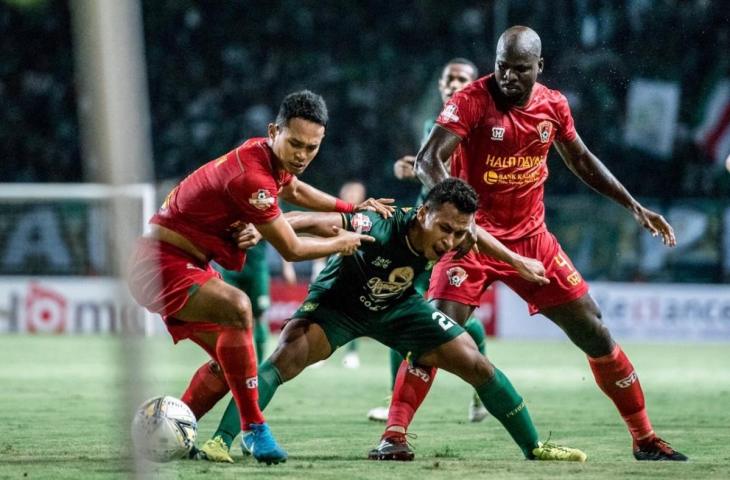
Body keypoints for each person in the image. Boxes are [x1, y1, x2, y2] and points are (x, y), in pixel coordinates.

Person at [372, 26, 687, 462]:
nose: (508, 77)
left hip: (534, 241)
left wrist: (634, 206)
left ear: (540, 67)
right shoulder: (471, 101)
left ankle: (645, 438)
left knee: (595, 332)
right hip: (473, 241)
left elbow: (581, 159)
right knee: (432, 334)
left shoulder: (553, 105)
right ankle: (393, 435)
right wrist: (458, 222)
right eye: (502, 67)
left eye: (520, 69)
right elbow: (429, 160)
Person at [201, 178, 587, 463]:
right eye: (444, 229)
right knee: (285, 359)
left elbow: (476, 234)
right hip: (339, 307)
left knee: (476, 363)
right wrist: (262, 229)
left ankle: (534, 447)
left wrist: (517, 261)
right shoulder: (379, 224)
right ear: (423, 214)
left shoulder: (456, 233)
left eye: (456, 233)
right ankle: (221, 440)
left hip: (398, 308)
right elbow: (308, 220)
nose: (449, 241)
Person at [127, 90, 393, 465]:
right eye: (296, 144)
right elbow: (292, 250)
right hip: (158, 263)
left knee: (231, 363)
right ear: (274, 131)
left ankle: (167, 429)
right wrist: (344, 241)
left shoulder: (267, 157)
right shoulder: (251, 176)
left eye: (312, 148)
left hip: (186, 262)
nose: (302, 155)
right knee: (238, 306)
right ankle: (254, 430)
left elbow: (295, 189)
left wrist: (350, 207)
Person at [369, 57, 489, 423]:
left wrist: (425, 172)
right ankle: (478, 390)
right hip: (423, 228)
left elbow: (460, 181)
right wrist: (410, 169)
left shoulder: (476, 124)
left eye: (462, 79)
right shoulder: (431, 124)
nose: (454, 84)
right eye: (448, 78)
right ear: (440, 85)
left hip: (450, 231)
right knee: (412, 306)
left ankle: (474, 388)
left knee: (406, 308)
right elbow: (432, 169)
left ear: (472, 85)